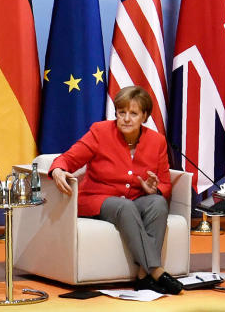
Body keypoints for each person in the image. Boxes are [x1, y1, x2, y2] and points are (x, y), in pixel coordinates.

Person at [49, 86, 183, 295]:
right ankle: (155, 270)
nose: (126, 119)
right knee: (124, 206)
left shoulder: (157, 141)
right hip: (97, 199)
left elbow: (165, 184)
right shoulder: (100, 132)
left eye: (133, 113)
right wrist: (57, 169)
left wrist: (153, 191)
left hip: (137, 199)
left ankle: (142, 276)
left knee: (157, 203)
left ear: (145, 116)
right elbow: (68, 158)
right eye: (122, 113)